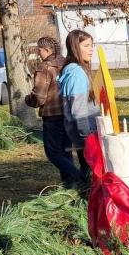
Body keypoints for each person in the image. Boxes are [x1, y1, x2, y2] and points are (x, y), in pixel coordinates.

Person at [25, 37, 78, 186]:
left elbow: (39, 98)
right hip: (68, 113)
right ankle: (69, 183)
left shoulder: (45, 68)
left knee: (53, 153)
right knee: (65, 151)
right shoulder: (66, 64)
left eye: (39, 50)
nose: (38, 53)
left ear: (48, 50)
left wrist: (28, 100)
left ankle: (79, 177)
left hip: (52, 115)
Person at [58, 29, 99, 182]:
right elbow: (79, 111)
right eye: (86, 46)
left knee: (87, 169)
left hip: (82, 134)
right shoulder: (77, 74)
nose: (91, 49)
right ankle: (85, 197)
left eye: (91, 45)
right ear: (76, 47)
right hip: (86, 135)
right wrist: (86, 137)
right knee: (90, 173)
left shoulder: (73, 70)